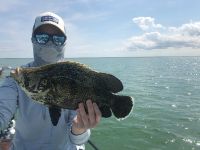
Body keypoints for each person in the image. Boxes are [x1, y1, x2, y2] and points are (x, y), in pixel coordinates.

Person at [0, 12, 102, 150]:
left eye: (58, 38)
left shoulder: (73, 78)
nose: (49, 43)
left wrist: (79, 128)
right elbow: (2, 110)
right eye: (42, 38)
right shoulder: (17, 78)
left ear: (64, 42)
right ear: (32, 39)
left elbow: (78, 140)